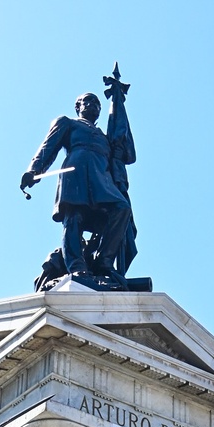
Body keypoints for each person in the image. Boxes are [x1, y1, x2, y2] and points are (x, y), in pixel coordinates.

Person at [21, 90, 135, 284]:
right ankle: (77, 267)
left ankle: (103, 262)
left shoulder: (106, 138)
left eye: (97, 103)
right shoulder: (68, 123)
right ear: (78, 107)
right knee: (74, 218)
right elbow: (48, 146)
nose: (93, 105)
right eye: (88, 101)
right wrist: (33, 170)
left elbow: (128, 156)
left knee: (121, 208)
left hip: (101, 177)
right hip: (76, 172)